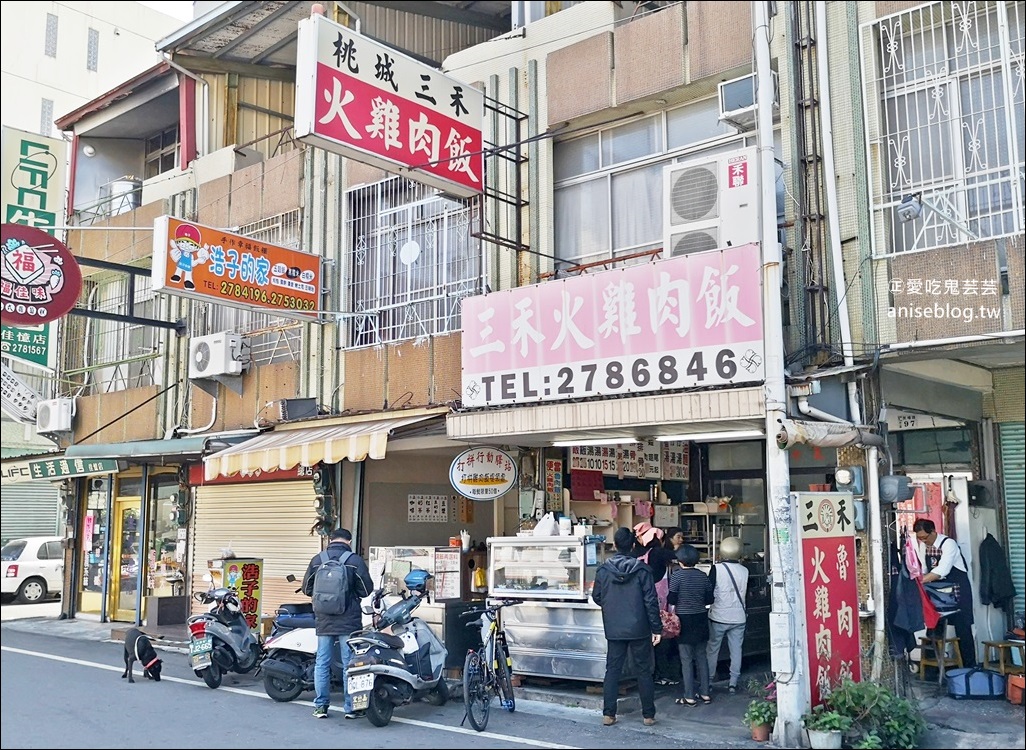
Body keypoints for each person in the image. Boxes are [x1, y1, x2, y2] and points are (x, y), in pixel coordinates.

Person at [591, 526, 662, 728]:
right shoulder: (643, 570)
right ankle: (648, 716)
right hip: (639, 627)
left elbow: (597, 597)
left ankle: (608, 714)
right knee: (643, 670)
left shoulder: (603, 570)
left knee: (612, 669)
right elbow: (651, 601)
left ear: (614, 545)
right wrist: (656, 629)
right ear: (633, 545)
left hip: (614, 628)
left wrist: (612, 606)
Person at [301, 527, 374, 719]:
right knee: (350, 662)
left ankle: (320, 706)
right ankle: (351, 708)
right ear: (348, 541)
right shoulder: (354, 560)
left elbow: (306, 588)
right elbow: (366, 589)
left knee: (322, 662)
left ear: (330, 539)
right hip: (348, 620)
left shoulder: (318, 560)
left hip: (324, 619)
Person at [913, 518, 977, 667]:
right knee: (933, 627)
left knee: (963, 629)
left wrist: (920, 581)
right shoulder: (924, 547)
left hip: (958, 592)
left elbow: (942, 570)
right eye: (920, 538)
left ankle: (969, 667)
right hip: (938, 593)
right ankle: (933, 666)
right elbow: (924, 569)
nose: (923, 541)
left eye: (925, 537)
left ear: (933, 532)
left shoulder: (949, 544)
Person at [667, 544, 714, 707]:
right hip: (701, 618)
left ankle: (689, 696)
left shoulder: (677, 577)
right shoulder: (703, 576)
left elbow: (671, 599)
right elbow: (710, 599)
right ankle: (705, 693)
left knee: (686, 659)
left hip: (684, 620)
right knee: (702, 657)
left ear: (680, 561)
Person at [705, 536, 749, 694]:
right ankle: (733, 683)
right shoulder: (745, 570)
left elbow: (709, 591)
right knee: (736, 650)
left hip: (718, 616)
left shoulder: (716, 568)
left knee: (712, 649)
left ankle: (708, 681)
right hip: (739, 616)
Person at [653, 527, 685, 685]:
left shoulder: (667, 557)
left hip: (670, 607)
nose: (681, 540)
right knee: (665, 642)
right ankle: (666, 674)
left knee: (670, 642)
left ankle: (669, 674)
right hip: (665, 608)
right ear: (669, 539)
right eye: (678, 537)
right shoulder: (663, 556)